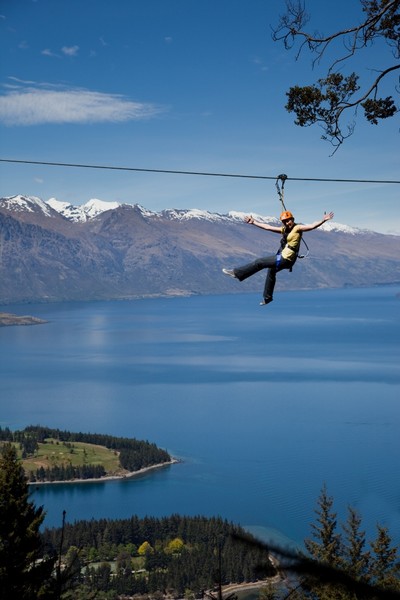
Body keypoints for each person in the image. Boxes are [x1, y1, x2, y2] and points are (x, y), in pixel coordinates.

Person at [222, 209, 334, 305]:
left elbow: (312, 226)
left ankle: (237, 273)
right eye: (284, 221)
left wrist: (323, 220)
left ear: (293, 220)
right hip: (285, 258)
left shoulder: (298, 228)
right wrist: (254, 222)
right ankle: (268, 298)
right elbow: (268, 227)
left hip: (286, 259)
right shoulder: (284, 230)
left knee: (259, 262)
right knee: (271, 270)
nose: (287, 223)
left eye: (288, 220)